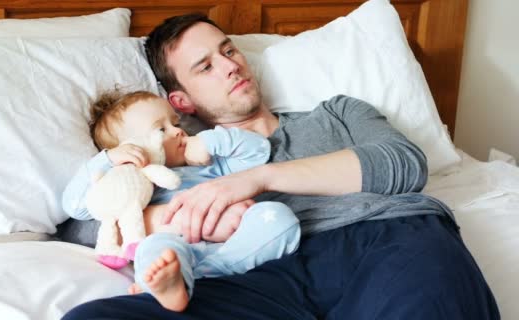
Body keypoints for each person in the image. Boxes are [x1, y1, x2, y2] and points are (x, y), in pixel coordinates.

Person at [63, 14, 500, 320]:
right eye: (206, 66)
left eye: (228, 49)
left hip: (380, 242)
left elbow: (404, 164)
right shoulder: (177, 162)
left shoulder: (336, 113)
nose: (231, 65)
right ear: (181, 101)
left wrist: (256, 178)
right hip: (248, 274)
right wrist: (176, 216)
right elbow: (91, 223)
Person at [62, 90, 300, 312]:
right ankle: (165, 283)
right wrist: (108, 160)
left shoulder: (208, 166)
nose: (179, 132)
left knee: (280, 218)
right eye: (160, 130)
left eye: (175, 123)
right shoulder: (132, 188)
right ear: (129, 148)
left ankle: (205, 272)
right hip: (173, 248)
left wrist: (210, 142)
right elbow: (75, 206)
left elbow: (259, 151)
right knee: (153, 249)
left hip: (230, 248)